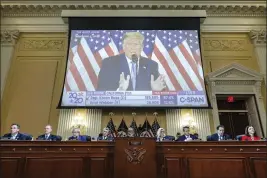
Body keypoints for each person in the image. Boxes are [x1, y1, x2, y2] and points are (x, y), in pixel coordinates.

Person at [97, 32, 166, 91]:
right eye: (129, 44)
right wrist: (120, 91)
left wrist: (154, 91)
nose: (132, 47)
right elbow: (101, 92)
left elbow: (159, 97)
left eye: (136, 44)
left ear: (142, 47)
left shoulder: (152, 65)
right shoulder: (109, 63)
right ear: (123, 46)